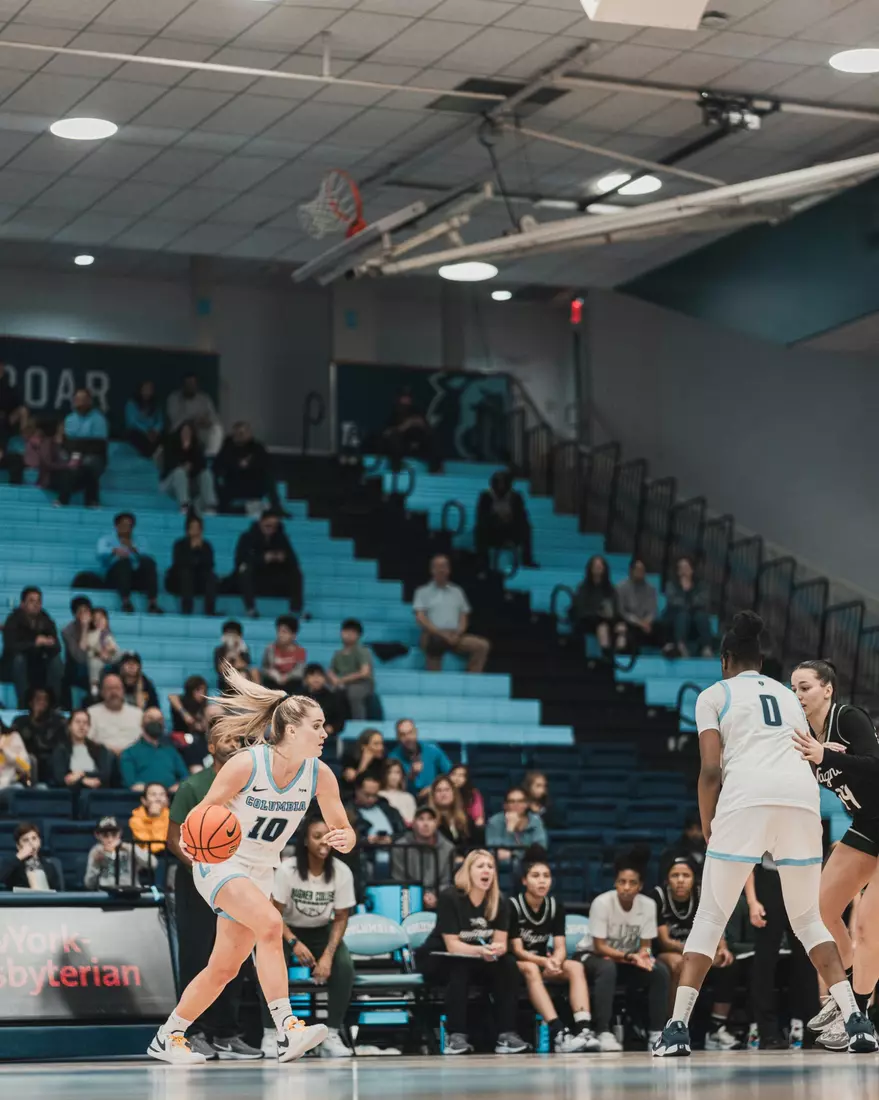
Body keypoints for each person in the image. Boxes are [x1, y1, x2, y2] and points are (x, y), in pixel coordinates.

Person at [651, 611, 876, 1058]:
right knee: (810, 919)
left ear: (725, 660)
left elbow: (711, 769)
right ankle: (857, 1022)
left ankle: (676, 1029)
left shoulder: (713, 695)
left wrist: (709, 824)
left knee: (710, 919)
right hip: (799, 803)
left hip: (746, 801)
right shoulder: (787, 696)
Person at [148, 664, 356, 1064]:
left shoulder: (320, 775)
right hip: (222, 862)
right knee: (272, 924)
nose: (325, 733)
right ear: (292, 731)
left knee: (224, 969)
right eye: (318, 725)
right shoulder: (246, 764)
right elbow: (201, 815)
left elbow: (343, 831)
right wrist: (201, 848)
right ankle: (287, 1029)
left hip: (262, 869)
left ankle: (168, 1035)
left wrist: (344, 837)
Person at [789, 658, 879, 1049]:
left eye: (805, 687)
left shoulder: (849, 717)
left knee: (866, 929)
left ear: (828, 688)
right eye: (793, 689)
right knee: (818, 911)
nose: (798, 695)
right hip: (867, 824)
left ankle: (858, 1014)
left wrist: (827, 756)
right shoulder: (806, 733)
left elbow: (875, 764)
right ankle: (845, 992)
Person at [165, 723, 265, 1061]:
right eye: (225, 738)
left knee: (232, 958)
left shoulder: (248, 784)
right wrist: (204, 864)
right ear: (210, 747)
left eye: (237, 737)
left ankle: (226, 1033)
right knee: (197, 958)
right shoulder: (193, 786)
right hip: (198, 881)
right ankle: (191, 1033)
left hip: (236, 880)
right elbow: (173, 839)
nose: (233, 742)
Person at [416, 850, 530, 1055]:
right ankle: (456, 1036)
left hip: (476, 957)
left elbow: (501, 943)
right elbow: (452, 945)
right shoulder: (451, 897)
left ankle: (507, 1034)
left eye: (490, 866)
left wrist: (495, 950)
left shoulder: (500, 901)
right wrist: (482, 950)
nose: (486, 870)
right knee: (460, 966)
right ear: (468, 872)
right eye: (480, 866)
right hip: (438, 957)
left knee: (508, 965)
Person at [267, 814, 358, 1058]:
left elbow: (341, 917)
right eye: (317, 837)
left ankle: (332, 1033)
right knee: (270, 962)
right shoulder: (288, 870)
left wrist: (327, 956)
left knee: (344, 965)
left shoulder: (341, 872)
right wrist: (294, 943)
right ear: (306, 841)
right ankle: (272, 1032)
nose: (324, 843)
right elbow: (273, 914)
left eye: (328, 837)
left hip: (321, 929)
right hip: (285, 929)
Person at [510, 849, 600, 1053]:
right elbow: (517, 950)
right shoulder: (513, 906)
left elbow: (559, 947)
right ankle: (559, 1032)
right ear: (524, 881)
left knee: (575, 966)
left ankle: (584, 1029)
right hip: (516, 964)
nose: (542, 881)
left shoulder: (555, 906)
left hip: (544, 961)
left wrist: (556, 962)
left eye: (546, 876)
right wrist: (545, 963)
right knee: (532, 969)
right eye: (535, 876)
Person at [579, 852, 670, 1052]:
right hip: (592, 957)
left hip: (628, 960)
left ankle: (656, 1032)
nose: (626, 887)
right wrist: (630, 956)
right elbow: (599, 946)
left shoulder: (648, 905)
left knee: (659, 971)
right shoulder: (602, 903)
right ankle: (602, 1031)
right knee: (607, 967)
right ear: (615, 883)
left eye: (632, 883)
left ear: (640, 886)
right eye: (622, 882)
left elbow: (646, 944)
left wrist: (644, 956)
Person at [653, 855, 739, 1050]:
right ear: (667, 879)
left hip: (698, 950)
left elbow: (716, 925)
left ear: (694, 879)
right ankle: (672, 1024)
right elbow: (665, 941)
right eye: (675, 875)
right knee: (679, 965)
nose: (681, 880)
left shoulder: (702, 894)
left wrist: (723, 948)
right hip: (668, 952)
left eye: (686, 875)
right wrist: (698, 952)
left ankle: (717, 1028)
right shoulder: (659, 896)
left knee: (728, 963)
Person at [744, 856, 820, 1050]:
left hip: (801, 879)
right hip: (769, 878)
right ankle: (767, 1033)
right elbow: (748, 861)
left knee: (807, 960)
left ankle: (814, 1030)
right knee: (765, 960)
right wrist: (752, 901)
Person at [414, 555, 490, 673]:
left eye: (444, 567)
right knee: (434, 643)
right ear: (432, 570)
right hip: (433, 634)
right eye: (438, 567)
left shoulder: (457, 591)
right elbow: (420, 618)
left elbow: (464, 616)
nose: (441, 570)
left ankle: (471, 680)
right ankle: (434, 681)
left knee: (482, 646)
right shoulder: (422, 592)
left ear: (449, 570)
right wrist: (441, 634)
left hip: (455, 635)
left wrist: (458, 634)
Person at [233, 509, 303, 618]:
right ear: (261, 522)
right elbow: (240, 560)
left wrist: (282, 558)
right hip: (254, 579)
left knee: (296, 573)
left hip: (273, 579)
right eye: (268, 525)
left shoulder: (281, 538)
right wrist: (263, 559)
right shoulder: (247, 537)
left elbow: (294, 560)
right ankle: (250, 608)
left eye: (274, 526)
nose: (271, 529)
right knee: (245, 570)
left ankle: (296, 610)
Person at [2, 586, 64, 707]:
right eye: (31, 601)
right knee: (19, 660)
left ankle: (54, 704)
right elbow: (10, 647)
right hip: (13, 667)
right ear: (22, 604)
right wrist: (34, 643)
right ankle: (24, 704)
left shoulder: (46, 620)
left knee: (56, 661)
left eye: (38, 601)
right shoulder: (13, 620)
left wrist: (48, 644)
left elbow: (57, 647)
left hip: (37, 666)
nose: (36, 604)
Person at [98, 512, 163, 614]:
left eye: (130, 526)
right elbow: (100, 553)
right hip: (114, 578)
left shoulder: (140, 541)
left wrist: (135, 550)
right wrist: (114, 551)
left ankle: (152, 604)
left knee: (149, 563)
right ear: (116, 526)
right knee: (124, 562)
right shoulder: (106, 540)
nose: (127, 528)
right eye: (124, 525)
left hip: (134, 578)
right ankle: (126, 602)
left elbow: (150, 557)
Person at [214, 420, 285, 515]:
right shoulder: (227, 448)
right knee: (218, 480)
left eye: (243, 433)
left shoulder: (258, 448)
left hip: (253, 484)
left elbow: (267, 465)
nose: (240, 436)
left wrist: (249, 465)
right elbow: (218, 465)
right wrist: (236, 465)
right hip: (234, 484)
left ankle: (276, 507)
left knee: (269, 476)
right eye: (238, 433)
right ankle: (224, 509)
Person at [392, 805, 455, 909]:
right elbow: (399, 878)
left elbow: (447, 880)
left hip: (440, 898)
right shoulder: (399, 847)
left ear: (436, 823)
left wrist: (436, 895)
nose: (426, 824)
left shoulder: (448, 848)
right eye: (421, 819)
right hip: (408, 898)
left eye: (430, 819)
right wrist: (419, 895)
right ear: (413, 824)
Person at [475, 469, 536, 571]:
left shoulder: (516, 497)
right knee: (479, 529)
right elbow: (480, 517)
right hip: (492, 531)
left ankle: (527, 560)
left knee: (526, 527)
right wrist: (496, 518)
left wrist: (508, 519)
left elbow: (522, 517)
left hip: (510, 531)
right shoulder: (485, 496)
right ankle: (482, 562)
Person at [120, 707, 189, 793]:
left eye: (159, 719)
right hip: (140, 800)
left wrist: (178, 787)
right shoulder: (129, 753)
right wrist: (156, 792)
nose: (155, 721)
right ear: (142, 722)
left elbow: (185, 777)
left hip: (172, 799)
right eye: (150, 718)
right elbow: (131, 784)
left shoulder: (171, 751)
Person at [49, 708, 114, 792]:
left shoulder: (99, 748)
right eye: (77, 722)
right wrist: (83, 781)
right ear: (69, 726)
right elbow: (60, 778)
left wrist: (80, 775)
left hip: (96, 792)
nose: (81, 726)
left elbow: (105, 775)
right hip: (69, 794)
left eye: (85, 723)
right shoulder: (61, 749)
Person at [571, 555, 626, 655]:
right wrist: (598, 614)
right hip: (588, 620)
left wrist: (615, 619)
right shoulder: (583, 588)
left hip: (607, 620)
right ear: (590, 569)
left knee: (621, 627)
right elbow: (580, 609)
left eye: (601, 566)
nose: (598, 568)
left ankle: (620, 655)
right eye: (596, 566)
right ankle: (606, 655)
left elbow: (615, 608)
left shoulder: (610, 589)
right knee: (603, 627)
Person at [160, 421, 218, 514]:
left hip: (191, 482)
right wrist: (183, 465)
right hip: (170, 482)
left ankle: (210, 505)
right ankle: (184, 505)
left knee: (206, 474)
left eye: (188, 433)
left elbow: (201, 466)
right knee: (179, 472)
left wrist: (191, 463)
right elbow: (169, 465)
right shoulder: (170, 444)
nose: (186, 435)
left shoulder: (197, 447)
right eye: (184, 432)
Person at [661, 555, 713, 658]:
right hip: (675, 615)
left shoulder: (700, 585)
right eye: (681, 568)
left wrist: (687, 602)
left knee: (701, 616)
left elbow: (703, 600)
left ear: (692, 570)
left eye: (686, 568)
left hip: (694, 615)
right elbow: (673, 601)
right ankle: (681, 646)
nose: (684, 571)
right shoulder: (671, 585)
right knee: (682, 615)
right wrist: (686, 595)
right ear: (678, 571)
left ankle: (706, 647)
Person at [41, 421, 103, 507]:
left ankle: (92, 502)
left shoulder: (72, 443)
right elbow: (47, 463)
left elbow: (77, 458)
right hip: (53, 476)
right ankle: (62, 500)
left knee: (89, 470)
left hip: (72, 475)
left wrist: (77, 462)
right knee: (68, 473)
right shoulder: (48, 442)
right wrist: (66, 466)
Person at [166, 513, 218, 616]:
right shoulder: (179, 544)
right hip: (179, 580)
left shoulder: (206, 546)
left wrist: (200, 550)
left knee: (211, 576)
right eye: (193, 527)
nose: (195, 530)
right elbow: (178, 563)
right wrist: (192, 550)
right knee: (186, 573)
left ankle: (210, 610)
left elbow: (209, 564)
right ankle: (186, 610)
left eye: (197, 528)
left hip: (199, 581)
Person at [12, 686, 66, 782]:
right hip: (25, 763)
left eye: (45, 699)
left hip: (50, 765)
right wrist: (34, 719)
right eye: (38, 699)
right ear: (30, 702)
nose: (42, 703)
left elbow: (58, 746)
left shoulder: (58, 722)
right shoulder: (20, 722)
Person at [87, 672, 145, 756]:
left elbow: (144, 741)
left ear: (123, 691)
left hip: (133, 759)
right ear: (102, 692)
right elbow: (87, 741)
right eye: (109, 688)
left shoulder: (138, 714)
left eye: (117, 688)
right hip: (102, 759)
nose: (114, 692)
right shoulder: (91, 713)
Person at [381, 387, 439, 471]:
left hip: (418, 445)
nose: (406, 400)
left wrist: (422, 425)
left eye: (408, 398)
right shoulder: (393, 414)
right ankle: (396, 471)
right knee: (394, 440)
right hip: (400, 446)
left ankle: (436, 470)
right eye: (404, 398)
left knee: (434, 439)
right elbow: (386, 433)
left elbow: (428, 431)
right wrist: (405, 426)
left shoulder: (416, 412)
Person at [62, 388, 108, 494]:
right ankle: (62, 496)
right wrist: (76, 452)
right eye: (77, 399)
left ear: (89, 401)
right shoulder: (70, 418)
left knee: (88, 462)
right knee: (62, 458)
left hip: (94, 455)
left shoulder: (99, 419)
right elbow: (68, 442)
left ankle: (92, 500)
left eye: (83, 399)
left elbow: (98, 444)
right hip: (73, 453)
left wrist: (79, 450)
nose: (80, 402)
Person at [388, 717, 451, 793]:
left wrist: (432, 788)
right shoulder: (393, 758)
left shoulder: (432, 750)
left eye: (410, 732)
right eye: (402, 735)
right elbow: (394, 788)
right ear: (397, 737)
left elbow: (451, 774)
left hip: (433, 796)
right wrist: (411, 776)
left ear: (416, 732)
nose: (407, 737)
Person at [328, 619, 375, 720]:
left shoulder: (362, 651)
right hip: (343, 683)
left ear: (358, 635)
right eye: (346, 631)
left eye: (352, 632)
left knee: (354, 693)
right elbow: (331, 671)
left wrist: (342, 680)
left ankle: (358, 722)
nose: (348, 634)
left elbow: (364, 672)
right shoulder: (338, 653)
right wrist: (333, 679)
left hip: (363, 683)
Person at [84, 815, 148, 889]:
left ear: (120, 833)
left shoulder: (129, 847)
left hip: (131, 892)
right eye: (105, 835)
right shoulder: (95, 851)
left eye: (114, 834)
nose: (110, 839)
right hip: (107, 895)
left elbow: (152, 863)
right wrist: (96, 864)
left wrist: (128, 848)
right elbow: (89, 884)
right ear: (97, 835)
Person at [166, 373, 222, 456]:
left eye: (192, 384)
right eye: (188, 384)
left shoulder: (204, 398)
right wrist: (194, 420)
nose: (190, 386)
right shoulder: (174, 398)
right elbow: (174, 418)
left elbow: (213, 416)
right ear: (183, 385)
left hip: (201, 428)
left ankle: (210, 457)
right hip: (181, 430)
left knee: (217, 428)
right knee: (186, 430)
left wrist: (208, 421)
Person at [347, 772, 405, 852]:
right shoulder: (347, 811)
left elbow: (403, 832)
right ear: (357, 790)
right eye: (367, 795)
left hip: (394, 857)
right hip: (365, 858)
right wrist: (366, 841)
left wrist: (391, 838)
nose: (371, 799)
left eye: (374, 795)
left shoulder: (388, 809)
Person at [486, 787, 548, 857]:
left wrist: (514, 854)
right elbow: (496, 854)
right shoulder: (495, 822)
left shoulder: (535, 821)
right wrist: (510, 830)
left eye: (520, 801)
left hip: (529, 863)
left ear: (526, 804)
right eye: (512, 801)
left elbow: (540, 849)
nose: (516, 804)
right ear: (505, 805)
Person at [0, 822, 63, 891]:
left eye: (34, 838)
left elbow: (58, 891)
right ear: (18, 846)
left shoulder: (49, 865)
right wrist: (19, 856)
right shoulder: (12, 864)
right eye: (25, 840)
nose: (31, 843)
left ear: (39, 842)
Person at [616, 557, 659, 652]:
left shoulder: (651, 589)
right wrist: (639, 623)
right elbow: (622, 611)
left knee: (662, 627)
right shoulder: (621, 587)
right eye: (638, 569)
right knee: (626, 630)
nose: (640, 572)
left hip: (646, 622)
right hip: (630, 621)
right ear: (631, 571)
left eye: (642, 570)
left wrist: (647, 621)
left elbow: (653, 610)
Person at [169, 675, 211, 770]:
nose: (201, 694)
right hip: (180, 740)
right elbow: (171, 696)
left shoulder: (204, 707)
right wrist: (184, 714)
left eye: (203, 690)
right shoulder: (182, 702)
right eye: (198, 690)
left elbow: (203, 728)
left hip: (199, 742)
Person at [425, 773, 474, 852]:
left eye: (447, 790)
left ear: (454, 793)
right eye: (439, 790)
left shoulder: (466, 819)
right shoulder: (429, 820)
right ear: (433, 795)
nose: (443, 794)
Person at [261, 615, 306, 692]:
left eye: (284, 632)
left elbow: (300, 671)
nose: (280, 635)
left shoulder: (300, 651)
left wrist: (287, 676)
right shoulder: (270, 648)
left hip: (292, 683)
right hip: (273, 682)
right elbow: (264, 668)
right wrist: (272, 673)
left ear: (293, 635)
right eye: (278, 631)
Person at [61, 595, 94, 702]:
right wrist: (84, 629)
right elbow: (80, 658)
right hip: (75, 668)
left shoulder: (98, 625)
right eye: (81, 612)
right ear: (75, 614)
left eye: (87, 611)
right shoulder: (67, 632)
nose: (85, 615)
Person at [659, 811, 707, 881]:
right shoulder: (671, 854)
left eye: (699, 829)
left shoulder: (713, 853)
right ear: (685, 831)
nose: (695, 833)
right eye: (691, 829)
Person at [301, 664, 347, 737]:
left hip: (324, 734)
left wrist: (332, 727)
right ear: (306, 679)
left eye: (319, 675)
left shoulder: (333, 697)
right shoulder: (298, 697)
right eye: (312, 675)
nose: (316, 678)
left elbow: (340, 719)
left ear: (324, 678)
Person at [129, 781, 171, 858]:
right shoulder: (135, 820)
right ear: (143, 800)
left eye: (162, 794)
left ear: (167, 800)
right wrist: (155, 818)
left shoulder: (174, 819)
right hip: (144, 861)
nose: (158, 798)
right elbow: (155, 846)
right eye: (153, 794)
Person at [213, 620, 259, 689]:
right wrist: (228, 653)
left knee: (254, 672)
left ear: (239, 636)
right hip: (225, 679)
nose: (231, 637)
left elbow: (244, 665)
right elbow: (221, 670)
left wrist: (235, 653)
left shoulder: (244, 648)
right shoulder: (219, 650)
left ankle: (257, 696)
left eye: (234, 634)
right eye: (228, 634)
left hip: (242, 677)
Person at [0, 360, 25, 484]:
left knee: (17, 460)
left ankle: (16, 492)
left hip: (5, 447)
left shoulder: (10, 391)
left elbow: (21, 409)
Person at [84, 606, 121, 692]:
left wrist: (109, 650)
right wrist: (100, 653)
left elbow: (114, 647)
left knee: (122, 654)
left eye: (101, 619)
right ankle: (94, 685)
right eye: (95, 620)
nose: (99, 622)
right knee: (93, 663)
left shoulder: (108, 634)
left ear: (106, 620)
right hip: (97, 657)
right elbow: (90, 647)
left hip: (109, 656)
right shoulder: (91, 634)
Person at [125, 379, 164, 457]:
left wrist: (155, 430)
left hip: (153, 433)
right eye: (145, 389)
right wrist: (146, 432)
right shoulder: (131, 404)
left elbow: (160, 421)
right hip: (139, 432)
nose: (147, 392)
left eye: (150, 389)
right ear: (140, 390)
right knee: (134, 436)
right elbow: (132, 422)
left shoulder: (156, 404)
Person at [340, 728, 385, 792]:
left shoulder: (383, 762)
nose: (381, 747)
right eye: (376, 744)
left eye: (381, 743)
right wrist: (364, 763)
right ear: (364, 747)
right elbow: (353, 786)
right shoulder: (350, 760)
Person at [380, 758, 417, 826]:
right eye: (389, 772)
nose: (393, 777)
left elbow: (413, 819)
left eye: (397, 772)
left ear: (402, 775)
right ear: (384, 774)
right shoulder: (380, 795)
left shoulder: (408, 797)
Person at [449, 763, 485, 829]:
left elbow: (478, 819)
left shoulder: (473, 794)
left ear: (467, 779)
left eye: (461, 775)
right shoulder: (444, 792)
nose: (456, 778)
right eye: (453, 774)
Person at [0, 721, 30, 789]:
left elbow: (25, 766)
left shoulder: (13, 737)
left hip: (10, 784)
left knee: (17, 788)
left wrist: (4, 751)